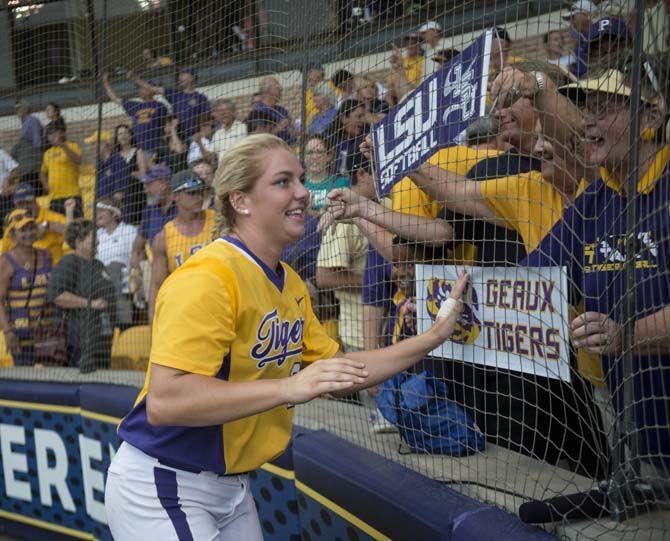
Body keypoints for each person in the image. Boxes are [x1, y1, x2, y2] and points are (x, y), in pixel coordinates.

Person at [104, 133, 469, 539]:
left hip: (233, 486)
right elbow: (167, 402)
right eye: (283, 182)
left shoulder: (290, 283)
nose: (302, 192)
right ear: (240, 200)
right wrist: (288, 387)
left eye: (299, 178)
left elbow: (341, 372)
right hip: (164, 481)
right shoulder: (208, 278)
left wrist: (433, 337)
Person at [502, 53, 670, 473]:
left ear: (651, 116)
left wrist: (625, 335)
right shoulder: (594, 203)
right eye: (586, 109)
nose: (589, 121)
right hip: (638, 436)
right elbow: (531, 277)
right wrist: (455, 304)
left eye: (606, 108)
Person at [48, 219, 116, 372]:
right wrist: (89, 303)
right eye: (93, 237)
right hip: (78, 339)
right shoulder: (69, 263)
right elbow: (57, 295)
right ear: (79, 241)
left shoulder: (98, 265)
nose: (98, 241)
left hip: (101, 338)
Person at [148, 172, 216, 320]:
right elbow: (157, 286)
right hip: (184, 313)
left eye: (200, 192)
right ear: (175, 196)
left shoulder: (218, 222)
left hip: (218, 305)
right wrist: (153, 330)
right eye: (192, 193)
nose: (198, 197)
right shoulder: (163, 238)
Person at [0, 209, 53, 366]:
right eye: (23, 230)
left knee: (52, 379)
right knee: (26, 380)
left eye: (31, 228)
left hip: (48, 331)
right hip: (21, 333)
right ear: (12, 235)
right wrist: (8, 331)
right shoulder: (5, 261)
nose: (29, 233)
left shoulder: (46, 255)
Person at [128, 67, 211, 139]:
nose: (180, 77)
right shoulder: (175, 94)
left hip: (195, 137)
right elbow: (153, 88)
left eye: (183, 74)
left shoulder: (201, 97)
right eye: (179, 75)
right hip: (179, 138)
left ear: (192, 77)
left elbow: (206, 119)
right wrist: (135, 79)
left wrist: (202, 135)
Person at [2, 183, 74, 265]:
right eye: (20, 204)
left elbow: (72, 232)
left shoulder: (51, 217)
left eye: (28, 202)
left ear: (35, 201)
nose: (25, 207)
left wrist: (47, 225)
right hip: (22, 272)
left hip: (52, 271)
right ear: (15, 206)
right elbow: (4, 255)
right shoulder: (13, 223)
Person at [95, 198, 137, 328]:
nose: (97, 215)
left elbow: (134, 259)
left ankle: (123, 325)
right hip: (102, 280)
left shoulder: (128, 230)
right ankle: (106, 331)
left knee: (116, 267)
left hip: (125, 278)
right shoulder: (97, 234)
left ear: (114, 214)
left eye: (102, 211)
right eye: (96, 211)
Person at [103, 72, 168, 156]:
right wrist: (106, 83)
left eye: (142, 88)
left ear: (151, 90)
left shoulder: (160, 105)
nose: (139, 90)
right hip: (138, 150)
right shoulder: (135, 105)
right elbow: (115, 99)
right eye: (139, 88)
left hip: (155, 147)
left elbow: (165, 126)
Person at [130, 164, 177, 274]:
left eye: (149, 184)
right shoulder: (149, 211)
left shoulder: (181, 206)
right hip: (155, 271)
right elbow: (137, 248)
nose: (146, 190)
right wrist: (137, 268)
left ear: (163, 184)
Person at [40, 124, 82, 216]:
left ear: (62, 133)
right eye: (50, 134)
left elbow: (78, 160)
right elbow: (42, 172)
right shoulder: (47, 153)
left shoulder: (72, 145)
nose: (52, 136)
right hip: (54, 197)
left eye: (55, 133)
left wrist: (64, 146)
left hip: (72, 195)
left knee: (76, 226)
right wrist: (45, 184)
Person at [113, 124, 149, 225]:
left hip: (136, 194)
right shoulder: (115, 156)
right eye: (120, 134)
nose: (123, 136)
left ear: (131, 135)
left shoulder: (138, 152)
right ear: (116, 138)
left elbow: (144, 174)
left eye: (125, 133)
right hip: (121, 197)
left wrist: (133, 174)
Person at [303, 135, 350, 212]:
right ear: (304, 157)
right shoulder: (297, 184)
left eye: (319, 152)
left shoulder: (341, 183)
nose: (314, 157)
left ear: (329, 156)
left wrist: (310, 211)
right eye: (310, 152)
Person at [86, 130, 130, 203]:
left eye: (94, 144)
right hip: (102, 208)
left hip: (114, 210)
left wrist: (107, 208)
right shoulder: (100, 164)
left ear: (104, 144)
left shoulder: (118, 161)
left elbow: (119, 194)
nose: (92, 147)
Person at [12, 100, 44, 197]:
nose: (17, 110)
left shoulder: (31, 120)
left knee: (32, 192)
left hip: (32, 165)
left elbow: (37, 141)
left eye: (20, 108)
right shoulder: (25, 122)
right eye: (16, 109)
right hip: (26, 165)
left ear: (26, 108)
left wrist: (37, 163)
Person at [328, 99, 368, 176]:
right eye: (359, 116)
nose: (363, 121)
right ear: (344, 119)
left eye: (364, 117)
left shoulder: (366, 139)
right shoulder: (329, 139)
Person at [252, 76, 295, 144]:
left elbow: (292, 130)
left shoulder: (282, 110)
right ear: (267, 91)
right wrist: (279, 128)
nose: (281, 89)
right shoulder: (258, 112)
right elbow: (260, 139)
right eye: (277, 87)